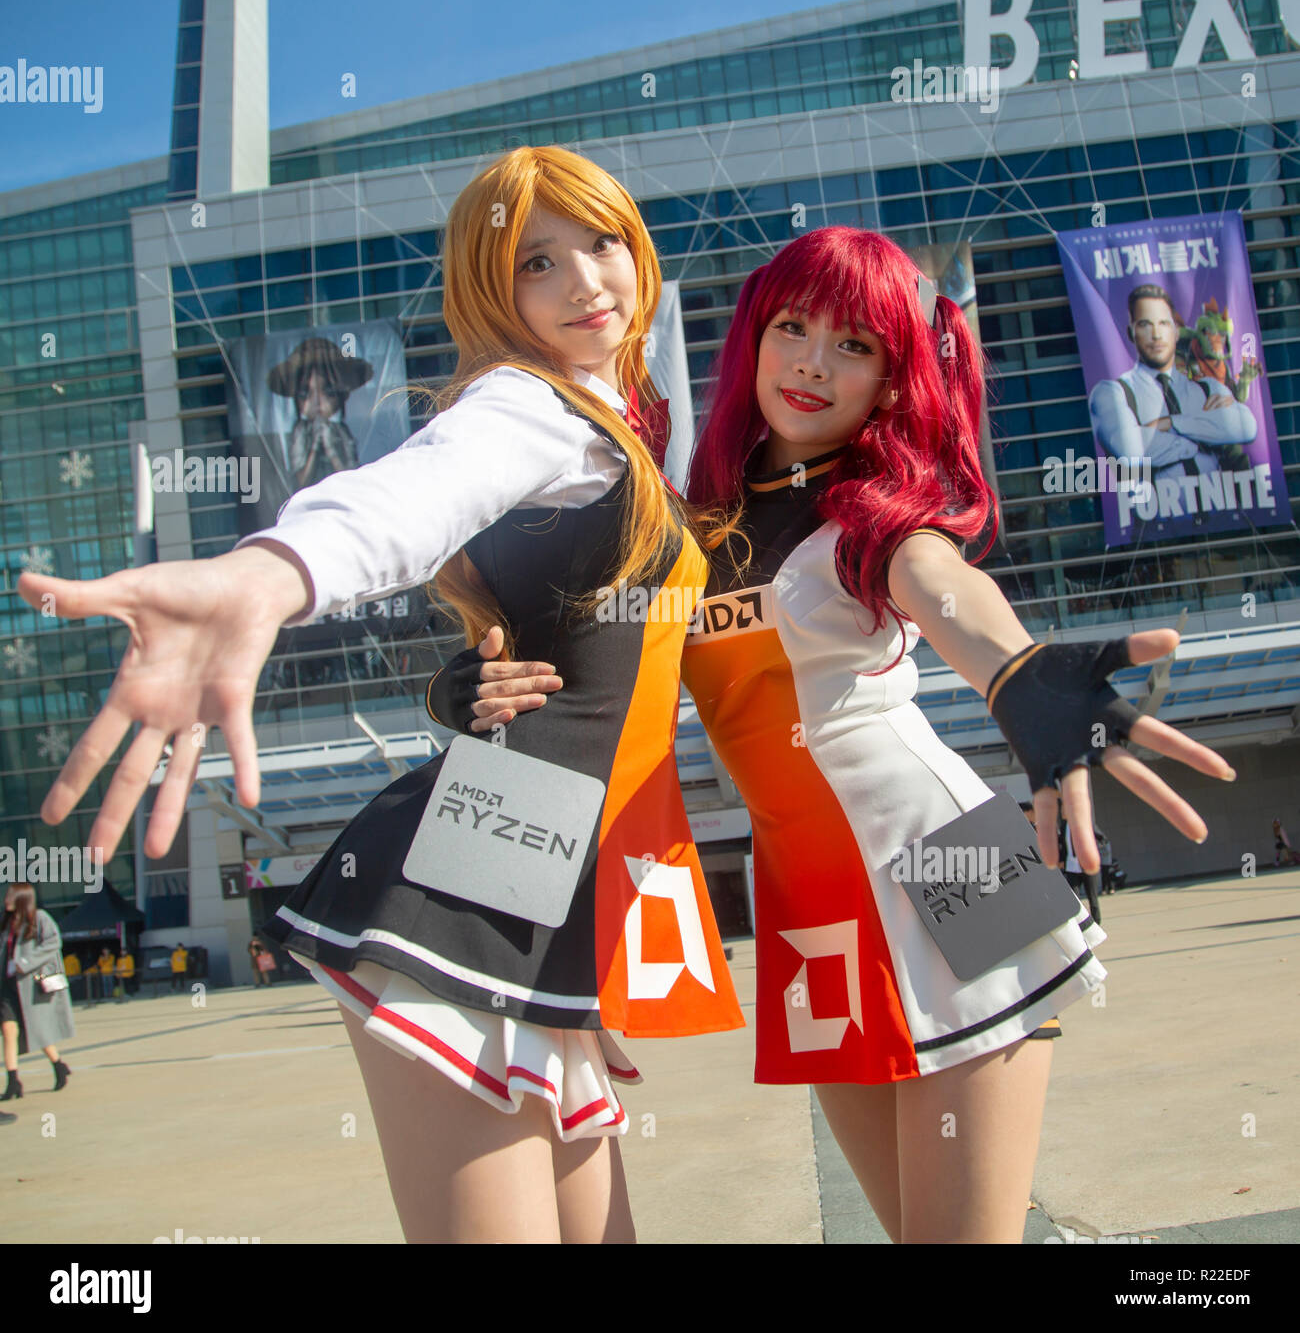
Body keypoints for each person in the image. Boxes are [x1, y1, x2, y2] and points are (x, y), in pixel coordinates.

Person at [18, 145, 743, 1244]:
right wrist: (263, 576)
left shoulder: (619, 430)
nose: (586, 279)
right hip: (476, 873)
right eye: (537, 262)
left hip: (544, 871)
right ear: (494, 295)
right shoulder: (528, 407)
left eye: (600, 241)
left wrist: (479, 693)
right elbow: (407, 496)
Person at [453, 226, 1235, 1242]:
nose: (815, 363)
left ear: (893, 377)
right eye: (792, 327)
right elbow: (593, 666)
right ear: (752, 340)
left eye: (856, 344)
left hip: (956, 857)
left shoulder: (877, 518)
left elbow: (946, 589)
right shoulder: (689, 528)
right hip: (804, 900)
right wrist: (479, 681)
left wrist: (1014, 668)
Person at [1088, 284, 1256, 483]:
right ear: (1131, 332)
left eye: (1163, 324)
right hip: (1158, 511)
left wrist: (1170, 423)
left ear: (1176, 332)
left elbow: (1246, 427)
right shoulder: (1112, 392)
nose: (1156, 335)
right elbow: (1130, 450)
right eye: (1145, 324)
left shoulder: (1208, 388)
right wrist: (1202, 437)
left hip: (1221, 509)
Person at [1, 884, 75, 1097]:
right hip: (7, 986)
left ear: (22, 898)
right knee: (8, 1032)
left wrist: (25, 962)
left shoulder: (39, 918)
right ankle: (13, 1082)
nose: (6, 900)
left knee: (38, 1030)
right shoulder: (5, 921)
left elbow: (53, 942)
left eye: (10, 896)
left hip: (29, 986)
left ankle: (58, 1064)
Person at [268, 337, 368, 490]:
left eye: (328, 392)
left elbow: (351, 475)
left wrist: (331, 449)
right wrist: (314, 447)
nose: (317, 402)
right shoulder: (301, 431)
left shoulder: (340, 430)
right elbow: (300, 480)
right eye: (305, 394)